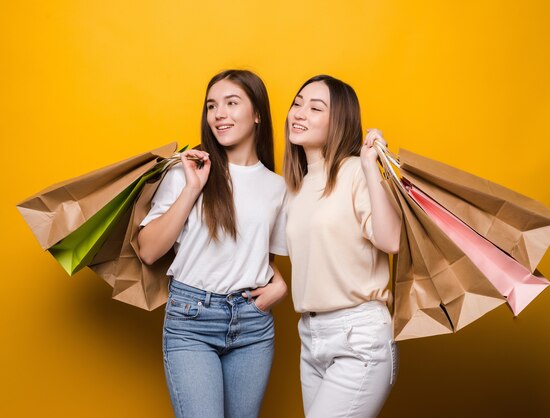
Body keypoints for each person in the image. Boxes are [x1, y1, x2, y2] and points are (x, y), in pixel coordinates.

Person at [138, 69, 288, 418]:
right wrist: (192, 188)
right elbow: (148, 250)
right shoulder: (187, 171)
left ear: (257, 114)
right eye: (211, 106)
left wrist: (279, 284)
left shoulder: (277, 188)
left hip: (253, 323)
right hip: (192, 318)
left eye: (231, 103)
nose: (219, 114)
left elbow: (253, 252)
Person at [284, 75, 401, 418]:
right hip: (310, 335)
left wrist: (369, 167)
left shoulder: (354, 172)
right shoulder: (297, 186)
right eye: (297, 103)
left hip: (358, 336)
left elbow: (391, 239)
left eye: (315, 107)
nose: (299, 113)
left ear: (340, 122)